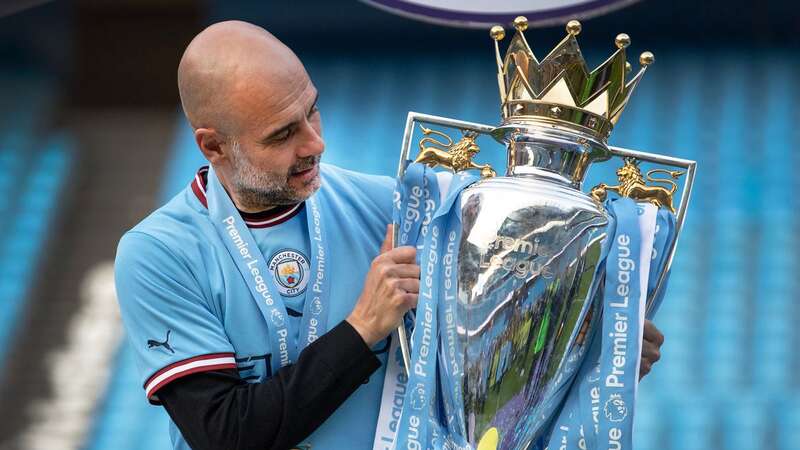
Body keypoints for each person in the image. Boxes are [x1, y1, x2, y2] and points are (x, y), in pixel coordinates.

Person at [114, 20, 664, 450]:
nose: (314, 144)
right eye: (283, 134)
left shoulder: (395, 208)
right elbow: (226, 435)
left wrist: (593, 344)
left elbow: (483, 356)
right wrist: (363, 329)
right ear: (214, 147)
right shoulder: (159, 255)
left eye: (313, 113)